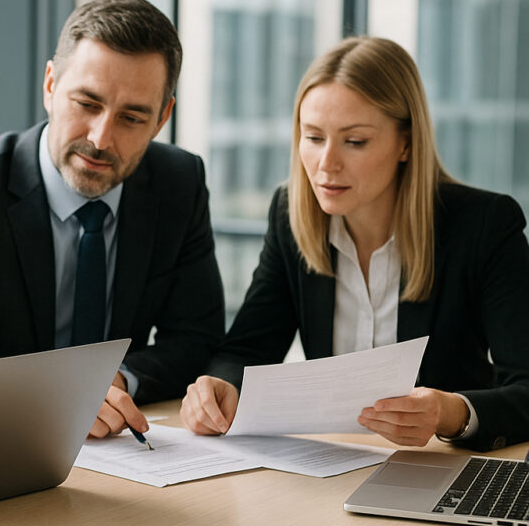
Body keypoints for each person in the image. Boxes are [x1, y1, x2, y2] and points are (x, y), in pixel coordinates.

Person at [181, 36, 529, 451]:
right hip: (330, 463)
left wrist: (450, 413)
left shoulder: (483, 225)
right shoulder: (289, 215)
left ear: (405, 142)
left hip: (440, 470)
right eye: (313, 138)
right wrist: (219, 387)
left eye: (355, 141)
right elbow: (247, 349)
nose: (327, 164)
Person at [0, 0, 224, 440]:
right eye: (87, 104)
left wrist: (118, 381)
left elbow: (196, 338)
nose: (101, 139)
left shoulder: (179, 182)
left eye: (132, 117)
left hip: (126, 443)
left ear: (162, 118)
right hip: (4, 437)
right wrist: (63, 397)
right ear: (50, 85)